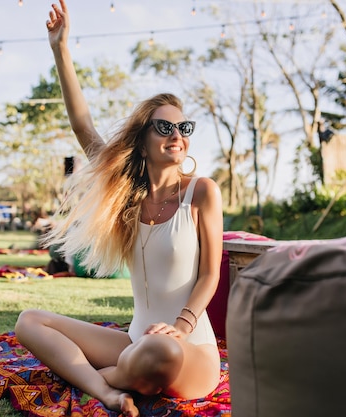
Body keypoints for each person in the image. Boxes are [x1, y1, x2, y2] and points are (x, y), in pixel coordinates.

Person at [14, 2, 224, 416]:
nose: (177, 135)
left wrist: (181, 327)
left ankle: (92, 376)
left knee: (159, 352)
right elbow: (82, 127)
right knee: (29, 321)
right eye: (164, 127)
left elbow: (210, 274)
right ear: (142, 139)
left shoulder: (202, 192)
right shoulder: (125, 196)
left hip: (187, 349)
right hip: (135, 342)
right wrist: (61, 48)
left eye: (184, 128)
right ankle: (108, 389)